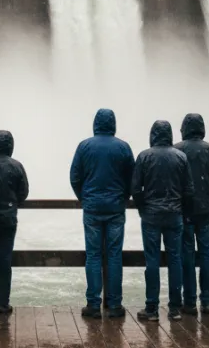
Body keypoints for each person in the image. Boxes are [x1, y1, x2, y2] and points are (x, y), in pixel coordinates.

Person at [70, 108, 135, 318]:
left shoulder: (84, 146)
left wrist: (85, 197)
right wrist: (122, 198)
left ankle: (93, 304)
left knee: (93, 255)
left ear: (95, 123)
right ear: (113, 123)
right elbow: (132, 179)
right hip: (115, 208)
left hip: (92, 208)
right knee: (114, 256)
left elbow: (75, 177)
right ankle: (114, 305)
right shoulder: (123, 147)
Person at [131, 120, 195, 321]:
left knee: (152, 261)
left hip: (151, 215)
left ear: (153, 134)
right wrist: (181, 210)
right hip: (174, 215)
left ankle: (151, 308)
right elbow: (189, 190)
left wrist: (143, 209)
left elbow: (135, 189)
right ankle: (175, 308)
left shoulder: (144, 156)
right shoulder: (180, 157)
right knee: (175, 259)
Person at [174, 113, 209, 315]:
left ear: (184, 128)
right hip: (205, 210)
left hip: (184, 210)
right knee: (206, 254)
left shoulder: (177, 150)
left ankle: (189, 301)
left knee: (186, 254)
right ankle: (207, 301)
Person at [0, 130, 29, 315]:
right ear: (10, 146)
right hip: (8, 220)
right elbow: (24, 192)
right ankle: (3, 304)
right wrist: (12, 204)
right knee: (5, 261)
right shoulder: (17, 166)